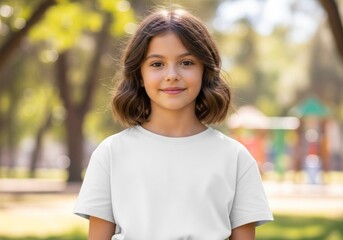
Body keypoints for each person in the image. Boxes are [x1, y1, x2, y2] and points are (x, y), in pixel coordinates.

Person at [74, 6, 273, 240]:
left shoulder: (236, 159)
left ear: (204, 70)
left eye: (186, 62)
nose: (171, 75)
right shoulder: (110, 154)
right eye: (157, 64)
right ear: (139, 74)